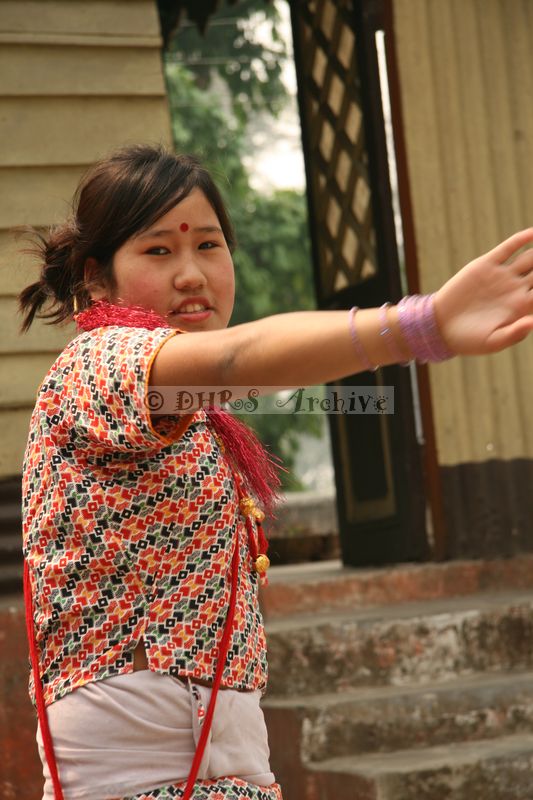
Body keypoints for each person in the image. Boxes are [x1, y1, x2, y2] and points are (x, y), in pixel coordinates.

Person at [18, 144, 533, 800]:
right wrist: (419, 325)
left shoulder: (188, 410)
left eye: (208, 245)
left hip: (225, 759)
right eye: (159, 250)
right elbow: (236, 359)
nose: (191, 274)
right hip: (136, 765)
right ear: (96, 279)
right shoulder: (97, 364)